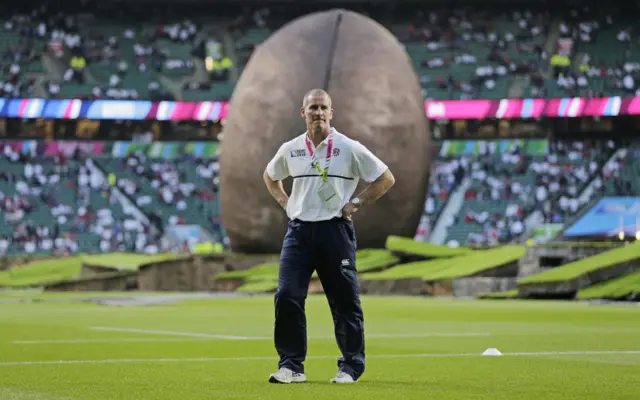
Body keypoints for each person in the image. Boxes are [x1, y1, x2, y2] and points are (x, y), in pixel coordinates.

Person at [262, 88, 396, 384]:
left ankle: (350, 367)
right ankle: (291, 367)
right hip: (298, 232)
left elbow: (385, 178)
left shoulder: (349, 147)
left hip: (335, 231)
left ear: (331, 113)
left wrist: (356, 203)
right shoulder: (291, 148)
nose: (318, 113)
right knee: (286, 296)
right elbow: (270, 176)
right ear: (303, 113)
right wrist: (285, 202)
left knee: (344, 301)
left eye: (323, 108)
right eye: (313, 108)